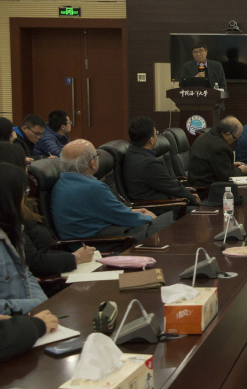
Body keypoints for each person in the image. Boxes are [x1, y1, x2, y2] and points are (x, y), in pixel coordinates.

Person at [0, 143, 94, 277]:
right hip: (48, 278)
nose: (27, 170)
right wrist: (76, 258)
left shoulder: (21, 205)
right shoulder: (8, 215)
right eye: (25, 165)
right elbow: (33, 264)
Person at [52, 140, 174, 243]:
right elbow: (125, 218)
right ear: (92, 163)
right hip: (101, 242)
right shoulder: (92, 187)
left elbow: (107, 212)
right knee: (167, 221)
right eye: (97, 154)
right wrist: (149, 217)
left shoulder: (61, 183)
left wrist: (131, 211)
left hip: (86, 239)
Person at [0, 163, 58, 362]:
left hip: (24, 328)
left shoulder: (12, 230)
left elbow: (26, 274)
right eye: (23, 192)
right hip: (17, 332)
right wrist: (35, 317)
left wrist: (42, 306)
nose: (26, 198)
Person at [123, 117, 199, 214]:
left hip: (158, 203)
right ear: (151, 140)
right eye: (156, 133)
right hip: (159, 208)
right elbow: (172, 186)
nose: (157, 136)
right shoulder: (148, 163)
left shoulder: (132, 153)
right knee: (200, 213)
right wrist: (193, 199)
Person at [187, 116, 247, 186]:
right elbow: (226, 178)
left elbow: (210, 164)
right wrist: (240, 171)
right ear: (228, 134)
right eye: (235, 139)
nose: (234, 141)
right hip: (207, 188)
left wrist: (230, 164)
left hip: (196, 184)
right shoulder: (221, 147)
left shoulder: (204, 136)